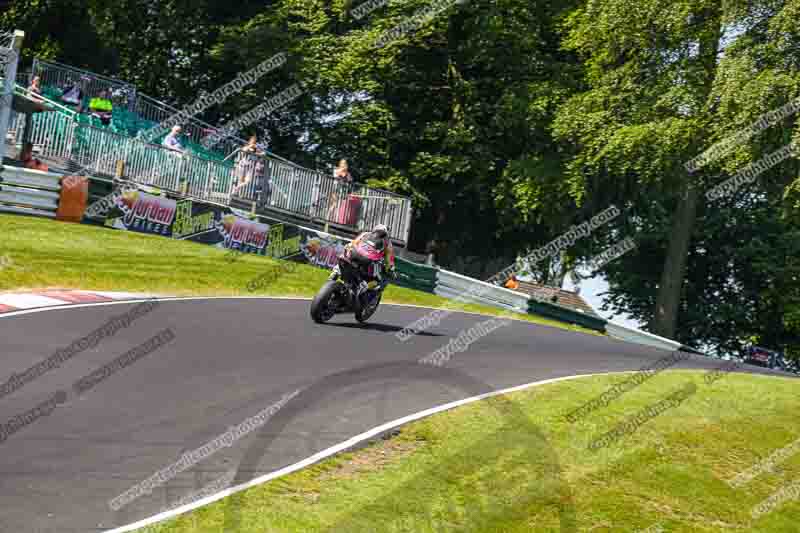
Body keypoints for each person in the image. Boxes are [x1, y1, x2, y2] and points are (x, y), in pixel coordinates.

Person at [330, 224, 397, 290]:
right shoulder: (387, 243)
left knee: (344, 258)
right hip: (367, 261)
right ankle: (363, 287)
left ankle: (336, 271)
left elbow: (353, 243)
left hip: (354, 254)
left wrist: (348, 250)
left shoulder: (365, 234)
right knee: (378, 280)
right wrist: (390, 269)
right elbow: (389, 261)